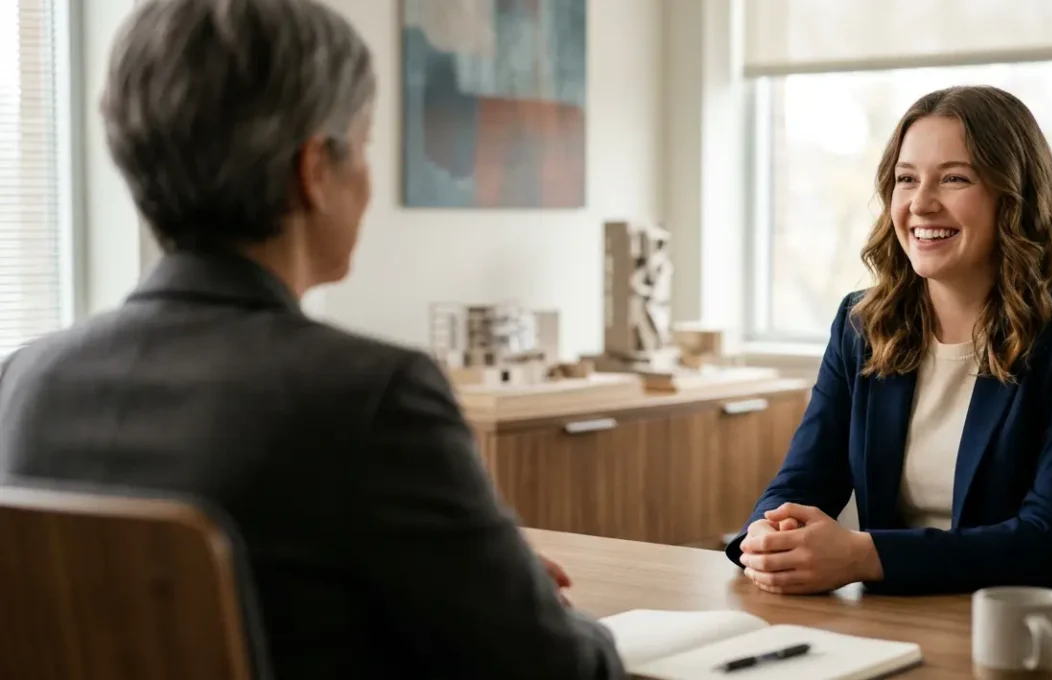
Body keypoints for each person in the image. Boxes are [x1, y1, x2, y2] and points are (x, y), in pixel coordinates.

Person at [0, 0, 623, 678]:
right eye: (363, 146)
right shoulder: (372, 397)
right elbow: (556, 671)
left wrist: (474, 577)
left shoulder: (22, 381)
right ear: (314, 170)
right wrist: (528, 605)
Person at [725, 85, 1052, 598]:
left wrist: (862, 554)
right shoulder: (861, 324)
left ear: (1014, 194)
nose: (921, 203)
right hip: (903, 615)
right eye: (906, 180)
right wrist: (767, 534)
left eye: (954, 178)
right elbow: (803, 480)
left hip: (1047, 622)